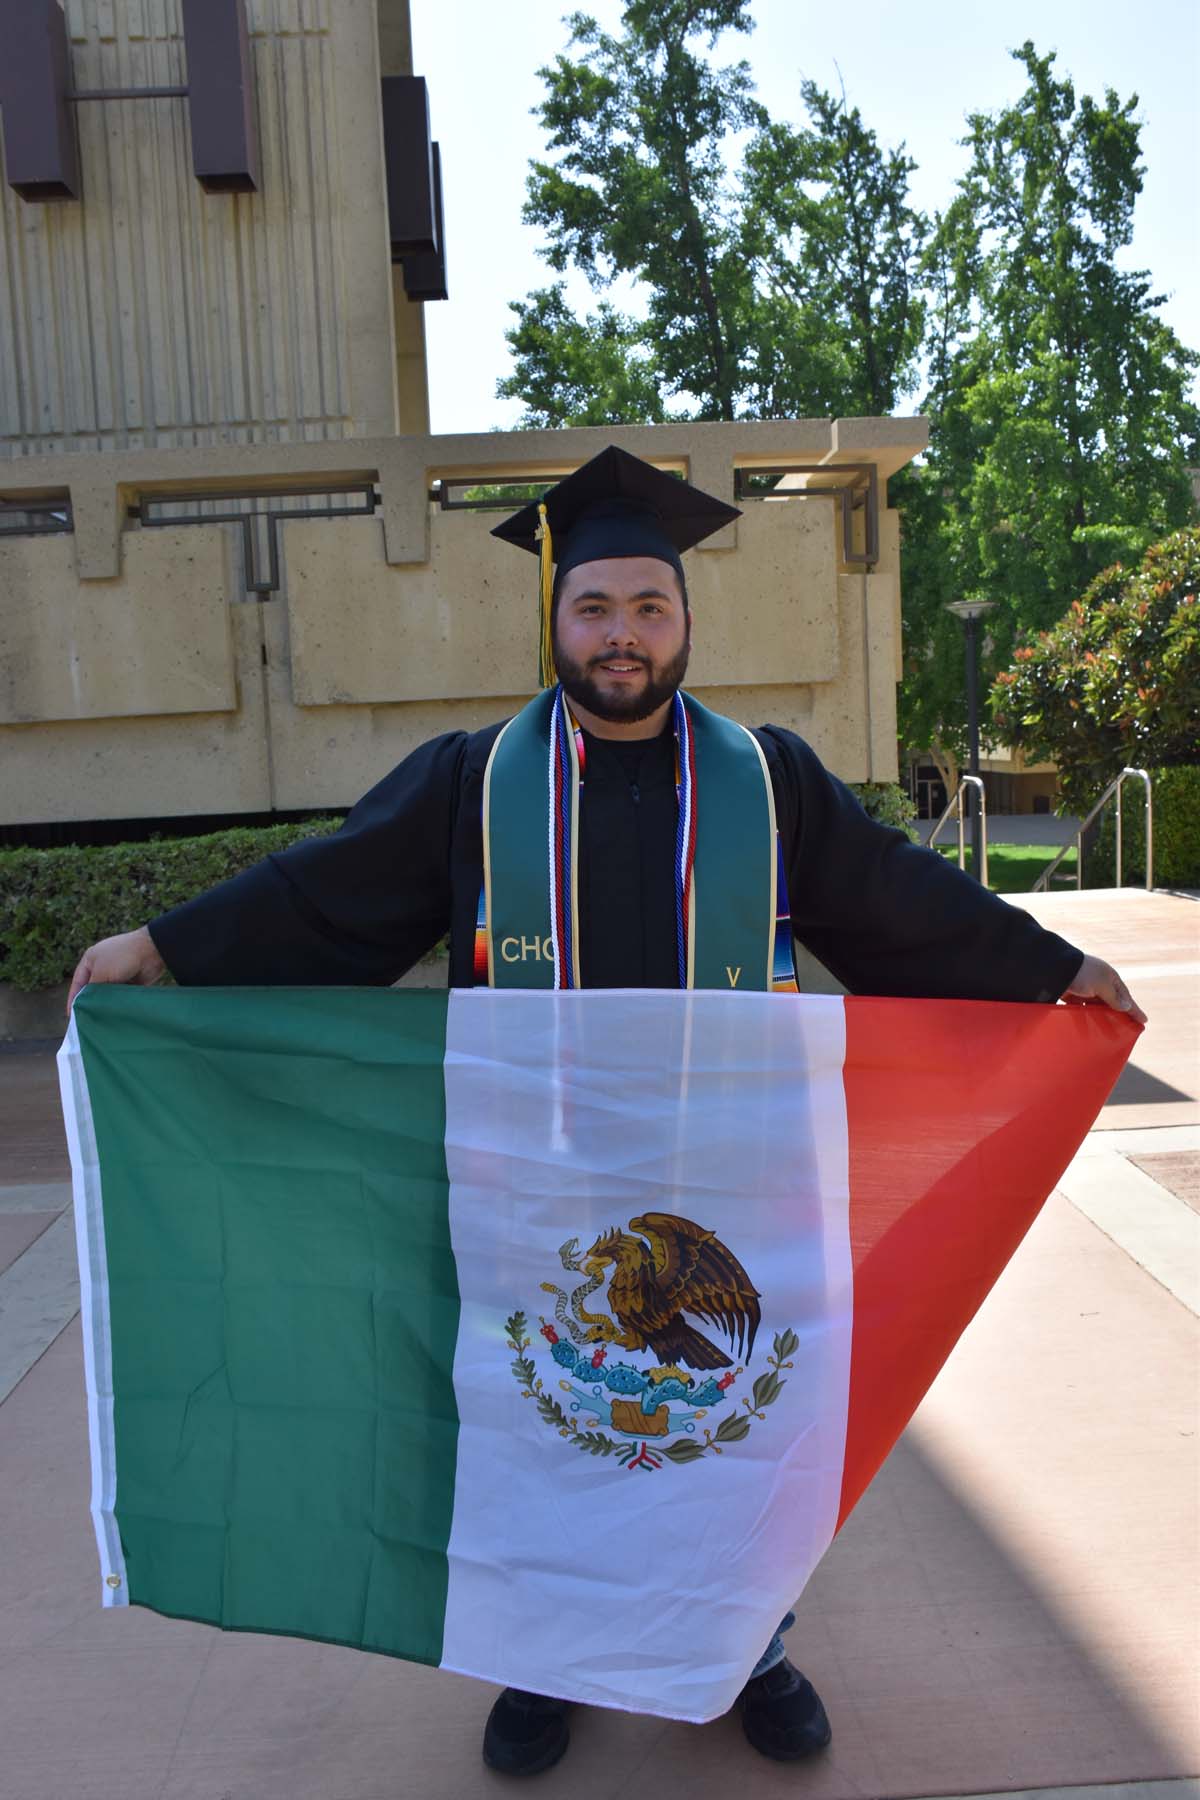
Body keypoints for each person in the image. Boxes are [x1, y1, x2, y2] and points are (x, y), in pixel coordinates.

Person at [69, 445, 1144, 1777]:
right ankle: (544, 1657)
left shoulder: (767, 780)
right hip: (537, 1188)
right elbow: (326, 892)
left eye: (648, 607)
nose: (621, 634)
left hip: (732, 1180)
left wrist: (1050, 968)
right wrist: (168, 950)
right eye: (594, 608)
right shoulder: (475, 781)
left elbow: (896, 901)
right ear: (556, 620)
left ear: (685, 620)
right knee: (542, 1426)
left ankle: (748, 1643)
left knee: (733, 1427)